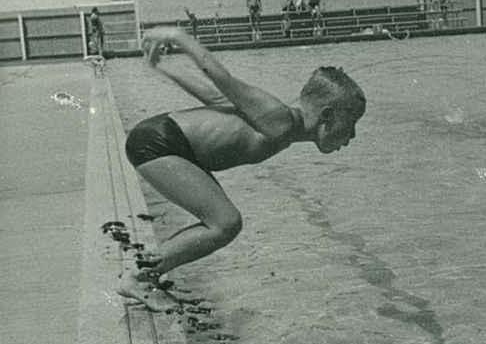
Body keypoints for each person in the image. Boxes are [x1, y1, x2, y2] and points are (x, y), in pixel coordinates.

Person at [120, 27, 366, 310]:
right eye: (352, 123)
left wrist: (162, 67)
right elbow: (222, 78)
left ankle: (147, 275)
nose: (353, 136)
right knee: (225, 223)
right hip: (160, 143)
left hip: (164, 141)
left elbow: (216, 98)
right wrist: (179, 37)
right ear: (327, 116)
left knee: (221, 220)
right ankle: (138, 278)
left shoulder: (277, 120)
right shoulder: (281, 121)